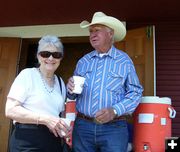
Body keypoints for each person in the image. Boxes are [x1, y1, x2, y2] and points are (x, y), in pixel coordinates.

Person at [66, 12, 143, 152]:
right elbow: (73, 95)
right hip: (83, 127)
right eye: (90, 31)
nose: (92, 35)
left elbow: (136, 92)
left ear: (110, 34)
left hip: (114, 129)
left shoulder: (124, 61)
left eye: (97, 30)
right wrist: (70, 90)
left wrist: (114, 110)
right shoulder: (83, 62)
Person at [5, 35, 71, 152]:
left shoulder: (60, 82)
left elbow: (60, 114)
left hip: (53, 141)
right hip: (27, 141)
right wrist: (45, 119)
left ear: (61, 58)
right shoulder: (27, 75)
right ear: (38, 56)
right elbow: (10, 110)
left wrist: (66, 129)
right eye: (45, 53)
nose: (51, 58)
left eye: (56, 54)